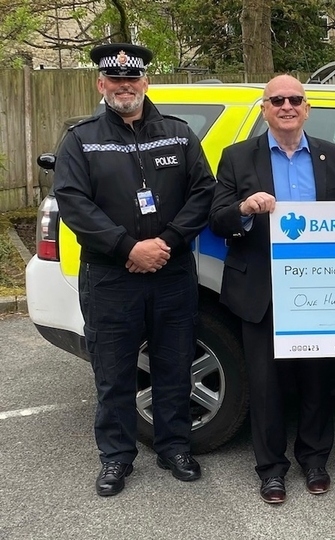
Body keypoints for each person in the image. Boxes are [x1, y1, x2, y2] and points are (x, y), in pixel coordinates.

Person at [53, 43, 215, 497]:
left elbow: (203, 192)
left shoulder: (179, 134)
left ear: (145, 82)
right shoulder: (80, 138)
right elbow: (74, 203)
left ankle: (174, 447)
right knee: (114, 371)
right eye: (116, 81)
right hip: (111, 277)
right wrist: (127, 247)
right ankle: (116, 458)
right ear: (102, 85)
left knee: (174, 364)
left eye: (133, 80)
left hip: (171, 271)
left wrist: (166, 242)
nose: (125, 87)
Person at [208, 75, 335, 504]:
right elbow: (217, 218)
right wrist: (242, 208)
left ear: (307, 108)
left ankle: (315, 461)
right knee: (266, 384)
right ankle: (271, 470)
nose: (287, 106)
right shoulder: (237, 157)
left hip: (321, 291)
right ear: (264, 109)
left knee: (317, 382)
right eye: (278, 100)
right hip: (262, 290)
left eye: (295, 99)